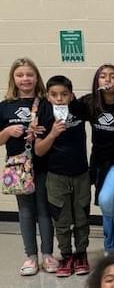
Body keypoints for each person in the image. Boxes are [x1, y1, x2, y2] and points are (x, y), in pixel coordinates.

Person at [0, 57, 57, 276]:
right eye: (20, 75)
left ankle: (47, 255)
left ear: (37, 78)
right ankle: (31, 257)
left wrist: (40, 133)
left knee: (44, 209)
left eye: (29, 75)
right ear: (13, 78)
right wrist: (7, 132)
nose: (25, 79)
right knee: (25, 211)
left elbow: (54, 131)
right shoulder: (5, 107)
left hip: (42, 164)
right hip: (18, 167)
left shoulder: (45, 104)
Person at [34, 75, 90, 277]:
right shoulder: (44, 113)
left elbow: (98, 100)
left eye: (64, 94)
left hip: (81, 173)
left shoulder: (79, 109)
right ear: (47, 97)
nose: (59, 99)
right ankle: (66, 255)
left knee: (82, 216)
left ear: (72, 95)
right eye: (54, 95)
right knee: (61, 219)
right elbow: (39, 150)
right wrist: (52, 134)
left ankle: (81, 254)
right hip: (56, 175)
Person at [79, 64, 114, 254]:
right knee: (108, 204)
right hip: (99, 163)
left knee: (106, 198)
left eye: (113, 77)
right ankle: (113, 245)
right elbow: (68, 112)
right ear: (97, 81)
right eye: (103, 76)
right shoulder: (90, 103)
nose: (107, 80)